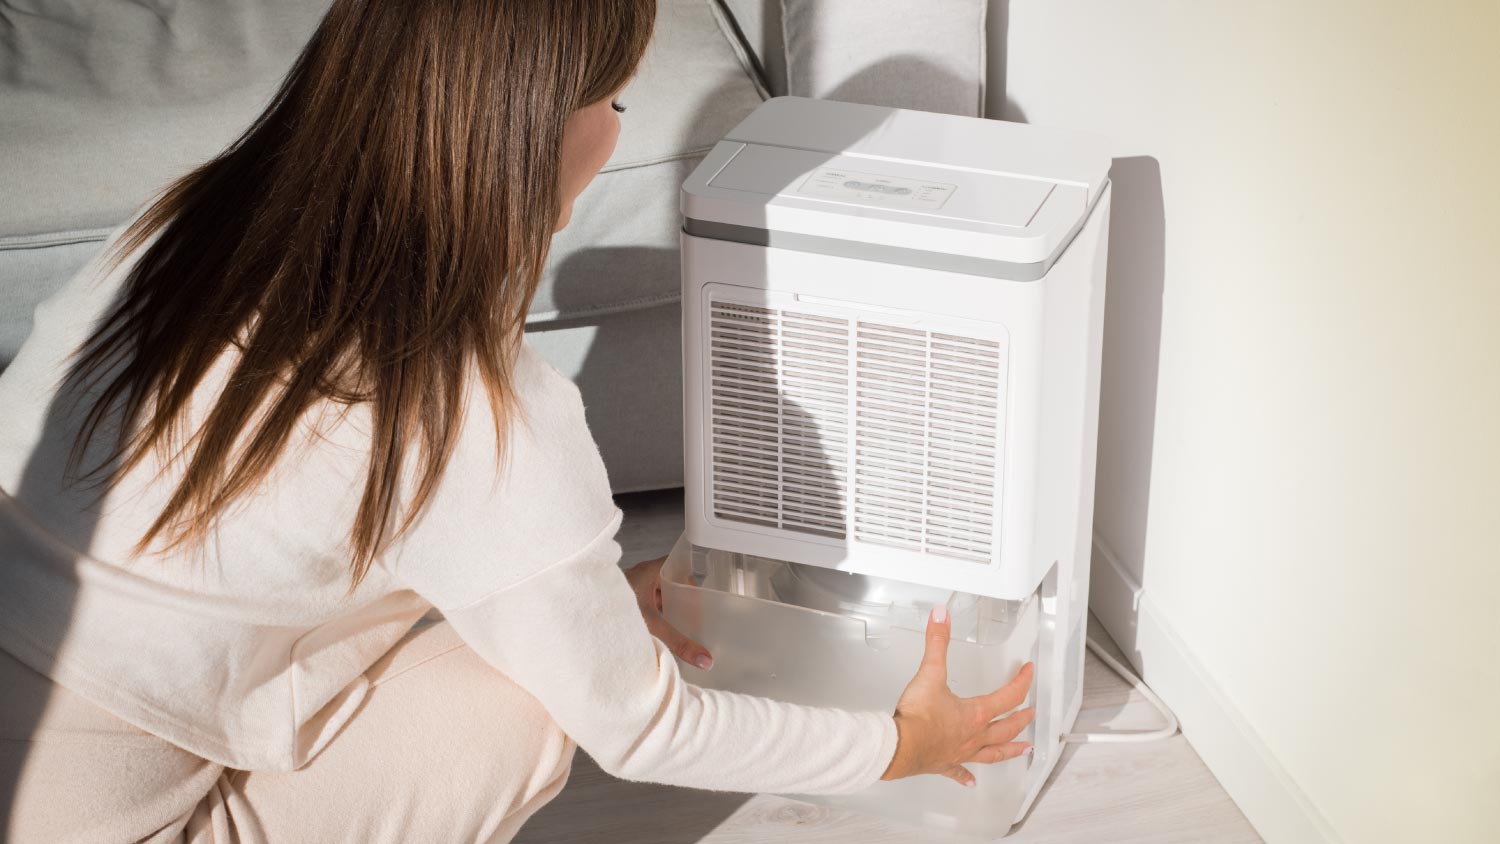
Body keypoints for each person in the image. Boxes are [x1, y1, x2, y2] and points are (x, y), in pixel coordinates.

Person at [0, 1, 1035, 841]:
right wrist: (902, 743)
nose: (619, 131)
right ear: (531, 132)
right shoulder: (472, 413)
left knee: (523, 641)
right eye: (616, 99)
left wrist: (574, 597)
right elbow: (643, 729)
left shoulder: (189, 219)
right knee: (525, 706)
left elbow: (250, 542)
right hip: (102, 820)